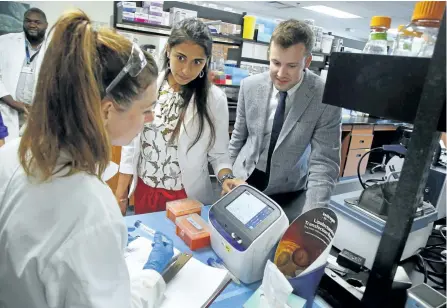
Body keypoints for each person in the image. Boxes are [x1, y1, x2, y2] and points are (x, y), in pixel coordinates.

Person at [0, 10, 174, 308]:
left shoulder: (13, 154)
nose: (151, 118)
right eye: (146, 109)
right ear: (106, 111)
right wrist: (151, 277)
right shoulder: (90, 209)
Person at [116, 18, 239, 215]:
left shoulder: (214, 99)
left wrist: (226, 179)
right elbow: (130, 145)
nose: (186, 70)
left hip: (187, 196)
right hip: (146, 191)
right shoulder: (147, 86)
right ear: (168, 50)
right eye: (180, 57)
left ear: (206, 62)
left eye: (197, 62)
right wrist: (121, 194)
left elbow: (219, 154)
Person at [228, 19, 342, 219]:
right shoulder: (250, 86)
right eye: (276, 63)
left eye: (291, 65)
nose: (281, 73)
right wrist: (227, 177)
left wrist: (312, 217)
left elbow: (324, 163)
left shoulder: (326, 97)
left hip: (287, 189)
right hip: (245, 177)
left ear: (307, 62)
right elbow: (238, 137)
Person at [0, 8, 48, 142]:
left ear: (46, 25)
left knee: (33, 155)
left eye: (37, 22)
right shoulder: (4, 42)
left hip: (39, 114)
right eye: (28, 21)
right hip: (7, 110)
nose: (32, 25)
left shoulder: (54, 48)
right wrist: (14, 103)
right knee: (6, 154)